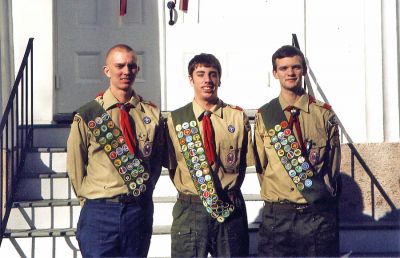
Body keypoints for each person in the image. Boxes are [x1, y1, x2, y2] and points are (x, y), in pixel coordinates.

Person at [67, 44, 164, 257]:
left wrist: (141, 190)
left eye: (132, 66)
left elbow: (155, 163)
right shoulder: (89, 115)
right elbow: (76, 168)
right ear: (107, 71)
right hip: (99, 211)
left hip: (138, 210)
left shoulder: (151, 113)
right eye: (119, 66)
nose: (126, 71)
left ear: (137, 70)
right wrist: (91, 201)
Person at [254, 45, 342, 257]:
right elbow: (261, 166)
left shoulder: (323, 115)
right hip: (278, 216)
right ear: (275, 73)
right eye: (283, 68)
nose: (290, 73)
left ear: (303, 70)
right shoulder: (265, 116)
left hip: (315, 214)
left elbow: (332, 166)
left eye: (295, 67)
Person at [165, 53, 254, 257]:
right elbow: (171, 165)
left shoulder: (237, 117)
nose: (207, 80)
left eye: (213, 74)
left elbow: (243, 165)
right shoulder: (175, 120)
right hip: (191, 208)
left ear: (219, 79)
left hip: (229, 204)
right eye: (200, 74)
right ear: (191, 79)